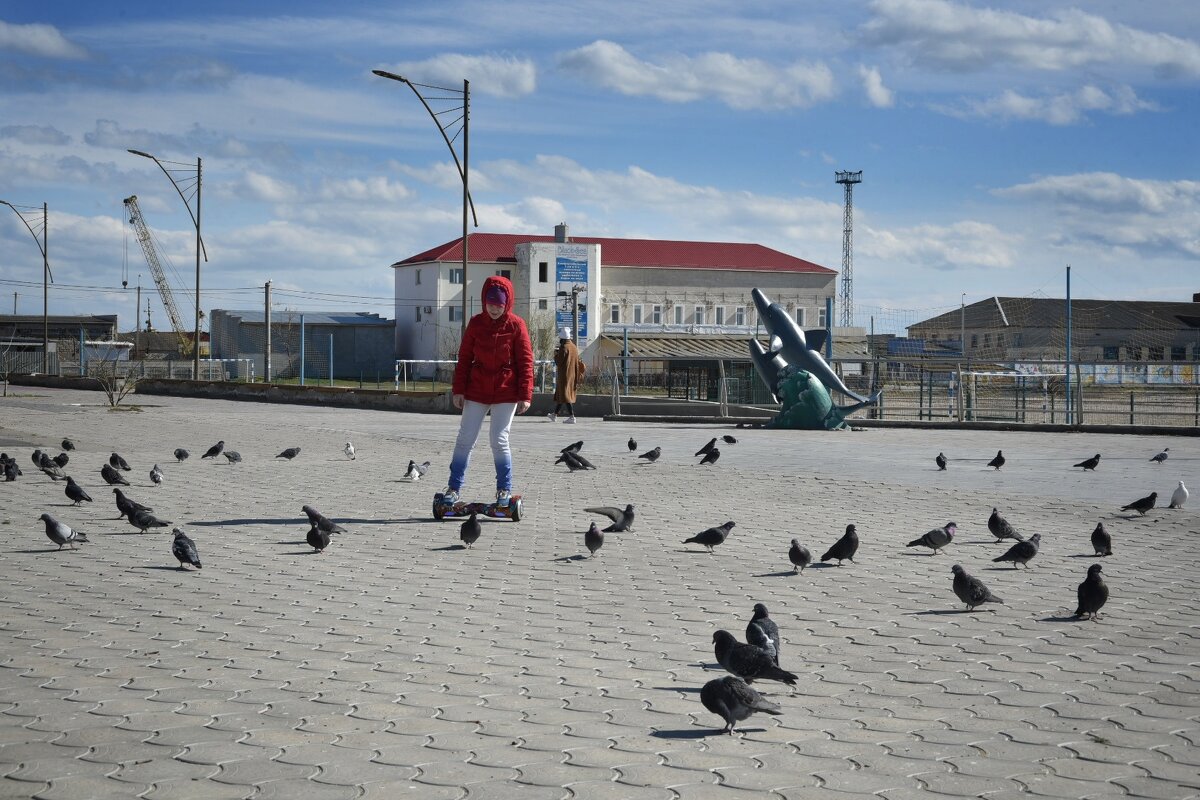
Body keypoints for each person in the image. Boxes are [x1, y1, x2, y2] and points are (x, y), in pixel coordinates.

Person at [442, 275, 533, 506]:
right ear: (484, 302)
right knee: (465, 439)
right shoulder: (475, 323)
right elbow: (464, 359)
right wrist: (458, 390)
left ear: (507, 304)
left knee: (499, 440)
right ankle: (453, 488)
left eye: (499, 306)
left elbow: (525, 361)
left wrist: (525, 394)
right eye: (490, 304)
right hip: (476, 390)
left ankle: (504, 490)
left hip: (506, 391)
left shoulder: (516, 325)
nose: (494, 309)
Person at [549, 327, 585, 423]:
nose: (559, 340)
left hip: (565, 375)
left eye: (560, 339)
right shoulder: (573, 347)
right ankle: (554, 415)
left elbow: (559, 361)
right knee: (562, 394)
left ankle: (572, 416)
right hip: (572, 374)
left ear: (563, 339)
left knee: (566, 395)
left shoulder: (564, 347)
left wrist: (556, 354)